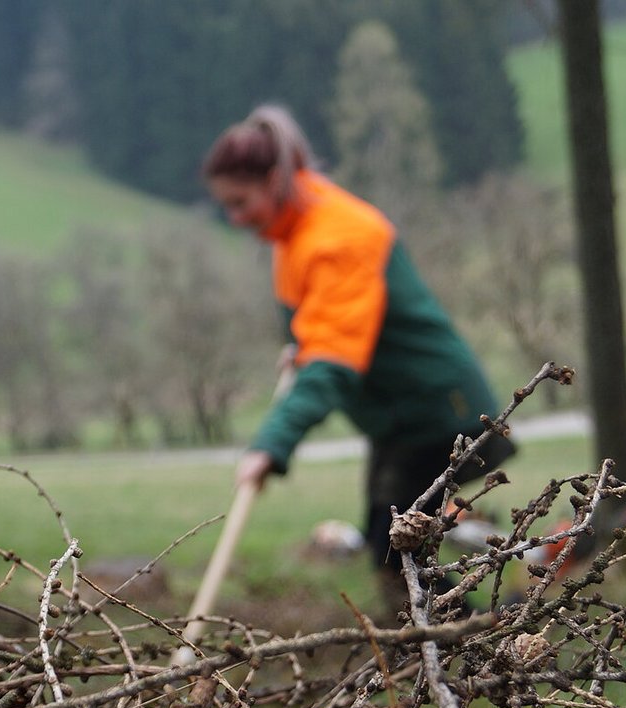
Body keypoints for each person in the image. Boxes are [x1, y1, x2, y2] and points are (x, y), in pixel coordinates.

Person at [202, 104, 514, 608]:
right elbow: (326, 326)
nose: (235, 218)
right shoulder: (294, 233)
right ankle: (446, 638)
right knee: (391, 549)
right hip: (400, 419)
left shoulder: (337, 236)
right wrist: (302, 347)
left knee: (400, 553)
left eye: (241, 202)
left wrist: (271, 444)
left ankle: (486, 637)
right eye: (227, 207)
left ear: (275, 180)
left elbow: (334, 359)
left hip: (436, 413)